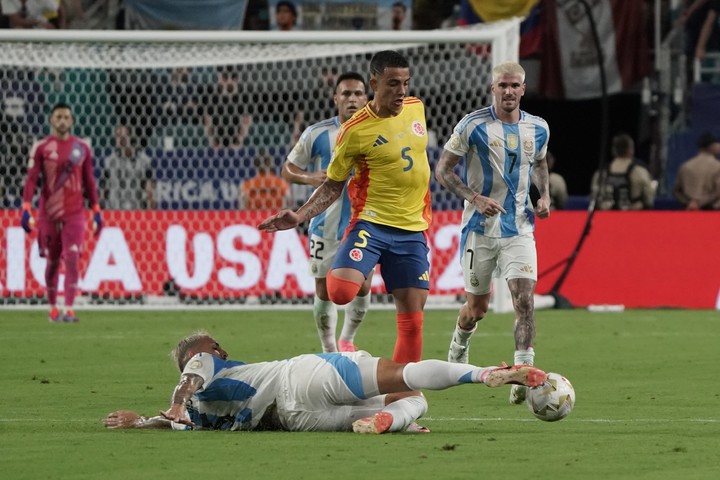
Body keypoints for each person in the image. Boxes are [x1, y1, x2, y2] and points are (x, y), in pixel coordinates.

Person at [259, 50, 432, 364]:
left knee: (412, 322)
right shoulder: (353, 131)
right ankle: (330, 348)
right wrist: (299, 214)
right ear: (375, 83)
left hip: (412, 229)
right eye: (393, 84)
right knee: (337, 292)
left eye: (405, 83)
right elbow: (333, 185)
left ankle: (401, 399)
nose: (401, 91)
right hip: (372, 224)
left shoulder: (416, 108)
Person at [102, 331, 547, 433]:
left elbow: (174, 416)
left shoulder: (197, 417)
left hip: (295, 420)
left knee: (412, 407)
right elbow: (188, 382)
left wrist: (141, 422)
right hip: (304, 374)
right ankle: (484, 373)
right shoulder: (202, 368)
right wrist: (176, 401)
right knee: (404, 377)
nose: (216, 351)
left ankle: (391, 422)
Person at [434, 61, 551, 406]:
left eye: (515, 85)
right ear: (492, 89)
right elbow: (443, 170)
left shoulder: (539, 128)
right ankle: (459, 344)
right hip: (479, 229)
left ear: (523, 89)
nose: (509, 91)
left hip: (520, 227)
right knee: (477, 308)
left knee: (524, 300)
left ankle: (522, 373)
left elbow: (540, 163)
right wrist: (474, 197)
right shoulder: (472, 125)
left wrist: (543, 196)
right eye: (503, 86)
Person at [281, 72, 371, 353]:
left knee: (363, 286)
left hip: (364, 221)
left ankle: (348, 339)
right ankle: (329, 348)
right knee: (324, 290)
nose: (352, 99)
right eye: (346, 94)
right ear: (336, 99)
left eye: (358, 93)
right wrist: (309, 178)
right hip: (325, 223)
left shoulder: (378, 131)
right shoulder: (317, 133)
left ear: (366, 98)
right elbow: (288, 169)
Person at [20, 102, 103, 323]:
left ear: (72, 121)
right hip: (48, 212)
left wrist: (96, 210)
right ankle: (52, 307)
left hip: (74, 213)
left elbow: (89, 182)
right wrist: (26, 207)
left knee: (73, 257)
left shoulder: (82, 149)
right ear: (51, 120)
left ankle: (69, 309)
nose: (63, 121)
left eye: (66, 117)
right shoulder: (41, 147)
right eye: (58, 117)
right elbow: (31, 180)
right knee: (53, 261)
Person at [590, 133, 656, 210]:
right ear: (631, 150)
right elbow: (649, 200)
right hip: (633, 219)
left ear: (613, 150)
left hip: (606, 218)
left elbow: (595, 199)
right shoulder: (640, 172)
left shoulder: (601, 173)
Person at [101, 124, 155, 210]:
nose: (121, 140)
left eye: (124, 137)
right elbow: (104, 190)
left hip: (136, 210)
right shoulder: (109, 161)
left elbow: (149, 191)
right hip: (114, 211)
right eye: (118, 136)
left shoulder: (143, 160)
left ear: (131, 137)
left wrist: (150, 213)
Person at [201, 66, 252, 150]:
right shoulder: (212, 97)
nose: (228, 81)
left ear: (236, 79)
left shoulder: (244, 97)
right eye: (225, 78)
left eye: (232, 78)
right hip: (217, 139)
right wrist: (212, 140)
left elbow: (246, 120)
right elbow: (207, 120)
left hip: (235, 139)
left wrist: (239, 140)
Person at [673, 131, 720, 209]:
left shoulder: (685, 166)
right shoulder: (718, 166)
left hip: (689, 210)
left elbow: (676, 191)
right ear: (712, 146)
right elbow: (718, 192)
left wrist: (689, 203)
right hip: (711, 211)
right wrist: (699, 203)